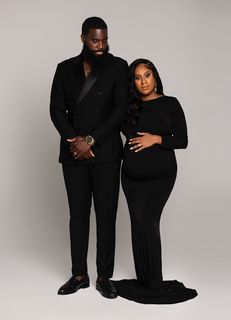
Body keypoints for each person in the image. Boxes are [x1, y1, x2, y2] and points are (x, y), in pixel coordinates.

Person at [50, 17, 128, 299]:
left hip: (105, 153)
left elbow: (120, 109)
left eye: (105, 40)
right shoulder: (64, 69)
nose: (101, 46)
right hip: (73, 154)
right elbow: (57, 110)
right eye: (95, 40)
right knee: (78, 216)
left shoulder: (118, 66)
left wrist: (91, 140)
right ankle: (79, 274)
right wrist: (75, 141)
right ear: (82, 37)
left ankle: (104, 276)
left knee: (107, 216)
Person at [113, 59, 198, 304]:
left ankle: (155, 283)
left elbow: (182, 139)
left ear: (155, 76)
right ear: (133, 83)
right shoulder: (129, 108)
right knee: (137, 224)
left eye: (147, 75)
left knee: (148, 222)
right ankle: (143, 279)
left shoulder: (170, 104)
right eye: (137, 78)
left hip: (161, 176)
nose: (143, 81)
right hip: (130, 178)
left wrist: (156, 139)